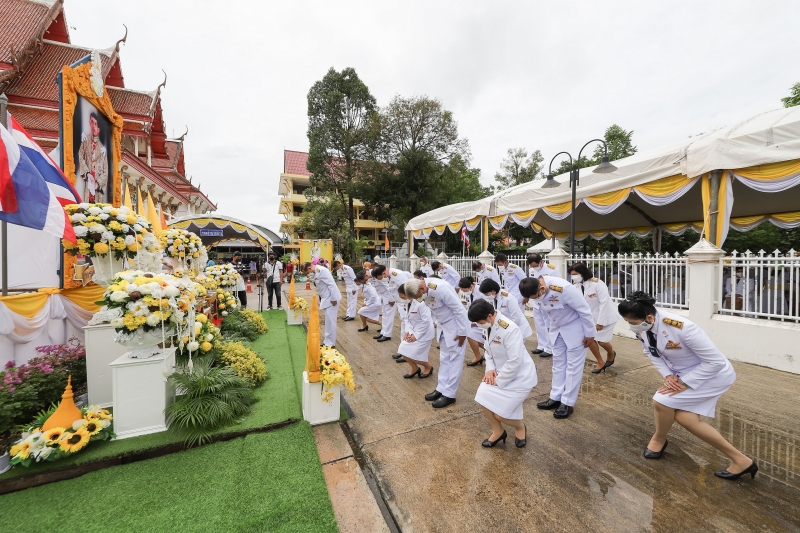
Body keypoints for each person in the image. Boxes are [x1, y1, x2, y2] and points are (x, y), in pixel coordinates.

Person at [618, 292, 758, 481]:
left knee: (661, 400)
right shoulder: (645, 327)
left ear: (649, 317)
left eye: (633, 323)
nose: (631, 326)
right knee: (686, 418)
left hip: (712, 374)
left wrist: (685, 383)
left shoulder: (682, 328)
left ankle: (659, 439)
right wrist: (668, 375)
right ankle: (742, 461)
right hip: (682, 373)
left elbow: (715, 362)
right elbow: (651, 353)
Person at [520, 276, 594, 419]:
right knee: (558, 364)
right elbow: (546, 313)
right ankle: (556, 397)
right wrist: (549, 329)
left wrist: (590, 334)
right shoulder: (536, 289)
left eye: (536, 297)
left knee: (573, 367)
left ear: (542, 288)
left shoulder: (562, 288)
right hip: (557, 330)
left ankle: (567, 403)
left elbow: (584, 309)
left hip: (575, 329)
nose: (536, 299)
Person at [469, 299, 537, 448]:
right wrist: (490, 369)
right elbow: (488, 350)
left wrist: (499, 380)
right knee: (482, 396)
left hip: (520, 376)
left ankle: (520, 427)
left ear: (489, 316)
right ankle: (498, 431)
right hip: (499, 373)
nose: (479, 325)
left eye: (479, 322)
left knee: (501, 414)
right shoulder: (487, 326)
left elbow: (515, 361)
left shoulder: (510, 329)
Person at [405, 277, 469, 408]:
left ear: (422, 288)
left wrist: (462, 333)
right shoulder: (422, 288)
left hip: (455, 327)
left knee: (455, 360)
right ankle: (441, 388)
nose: (419, 298)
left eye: (418, 296)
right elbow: (435, 309)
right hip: (442, 326)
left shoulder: (441, 289)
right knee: (444, 358)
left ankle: (450, 394)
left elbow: (459, 309)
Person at [569, 262, 620, 373]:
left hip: (606, 316)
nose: (573, 277)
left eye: (575, 274)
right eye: (572, 274)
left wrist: (600, 322)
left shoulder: (597, 283)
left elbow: (604, 302)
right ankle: (600, 361)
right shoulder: (574, 287)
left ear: (582, 273)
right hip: (589, 319)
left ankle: (611, 353)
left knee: (602, 342)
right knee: (589, 339)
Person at [526, 253, 562, 358]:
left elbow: (558, 285)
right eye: (532, 266)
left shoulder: (552, 270)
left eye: (535, 266)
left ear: (541, 262)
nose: (533, 268)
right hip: (536, 301)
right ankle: (541, 345)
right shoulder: (531, 269)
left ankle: (549, 348)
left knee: (548, 325)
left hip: (548, 301)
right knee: (539, 324)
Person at [396, 284, 435, 379]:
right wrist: (407, 331)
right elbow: (407, 319)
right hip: (413, 332)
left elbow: (426, 322)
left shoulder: (421, 304)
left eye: (402, 297)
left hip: (424, 333)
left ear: (409, 294)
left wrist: (416, 336)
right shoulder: (408, 302)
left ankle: (428, 367)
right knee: (402, 350)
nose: (402, 299)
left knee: (416, 356)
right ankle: (415, 368)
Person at [300, 261, 340, 347]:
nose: (308, 274)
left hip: (331, 299)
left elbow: (332, 285)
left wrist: (333, 298)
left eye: (307, 272)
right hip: (326, 298)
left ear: (309, 268)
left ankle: (331, 343)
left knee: (331, 321)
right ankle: (327, 341)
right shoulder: (316, 272)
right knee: (328, 321)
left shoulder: (322, 270)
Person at [370, 264, 412, 343]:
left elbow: (406, 289)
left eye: (381, 278)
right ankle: (404, 345)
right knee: (403, 321)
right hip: (399, 302)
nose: (382, 279)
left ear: (384, 273)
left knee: (406, 322)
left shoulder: (398, 275)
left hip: (404, 302)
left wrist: (407, 304)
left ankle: (405, 344)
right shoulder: (390, 275)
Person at [77, 112, 108, 203]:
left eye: (96, 123)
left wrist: (97, 184)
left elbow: (105, 172)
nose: (93, 126)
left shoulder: (102, 149)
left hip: (97, 192)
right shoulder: (85, 140)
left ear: (99, 128)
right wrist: (87, 174)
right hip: (87, 186)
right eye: (92, 122)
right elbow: (80, 156)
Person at [458, 277, 487, 366]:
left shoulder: (481, 292)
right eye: (462, 291)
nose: (464, 292)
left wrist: (475, 321)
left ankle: (489, 352)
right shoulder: (468, 292)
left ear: (471, 286)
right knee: (470, 334)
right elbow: (469, 307)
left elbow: (486, 308)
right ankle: (479, 356)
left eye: (465, 290)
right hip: (475, 320)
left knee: (472, 335)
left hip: (484, 319)